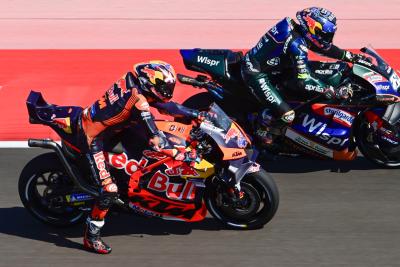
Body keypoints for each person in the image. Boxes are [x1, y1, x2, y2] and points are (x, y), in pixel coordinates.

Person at [72, 61, 205, 254]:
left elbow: (165, 105)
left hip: (116, 127)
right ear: (148, 83)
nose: (167, 91)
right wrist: (177, 153)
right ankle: (91, 237)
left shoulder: (133, 82)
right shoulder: (139, 101)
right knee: (109, 190)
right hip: (93, 138)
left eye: (168, 87)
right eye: (164, 87)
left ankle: (131, 182)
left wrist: (195, 113)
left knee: (143, 153)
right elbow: (155, 137)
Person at [241, 7, 369, 144]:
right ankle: (262, 130)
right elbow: (304, 81)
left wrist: (352, 57)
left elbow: (324, 48)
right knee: (288, 115)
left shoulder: (299, 32)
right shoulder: (296, 44)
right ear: (312, 28)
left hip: (278, 67)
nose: (327, 38)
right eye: (324, 34)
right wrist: (329, 90)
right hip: (256, 72)